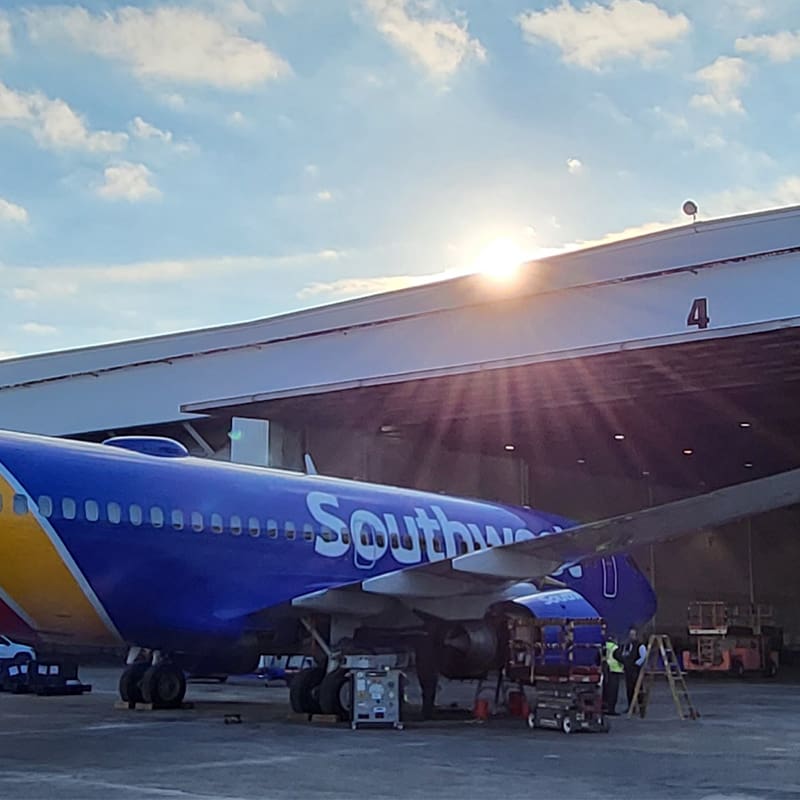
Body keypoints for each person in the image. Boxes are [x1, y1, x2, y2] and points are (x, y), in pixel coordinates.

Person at [620, 626, 648, 710]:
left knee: (638, 688)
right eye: (630, 634)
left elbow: (643, 656)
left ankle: (641, 706)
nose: (631, 636)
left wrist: (636, 664)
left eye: (633, 634)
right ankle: (631, 707)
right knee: (629, 689)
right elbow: (625, 654)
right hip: (628, 670)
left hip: (636, 670)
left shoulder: (640, 645)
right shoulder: (628, 645)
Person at [602, 635, 624, 716]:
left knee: (607, 690)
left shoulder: (605, 646)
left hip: (607, 670)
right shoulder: (615, 648)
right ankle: (611, 709)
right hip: (615, 670)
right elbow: (619, 658)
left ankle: (605, 706)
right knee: (613, 692)